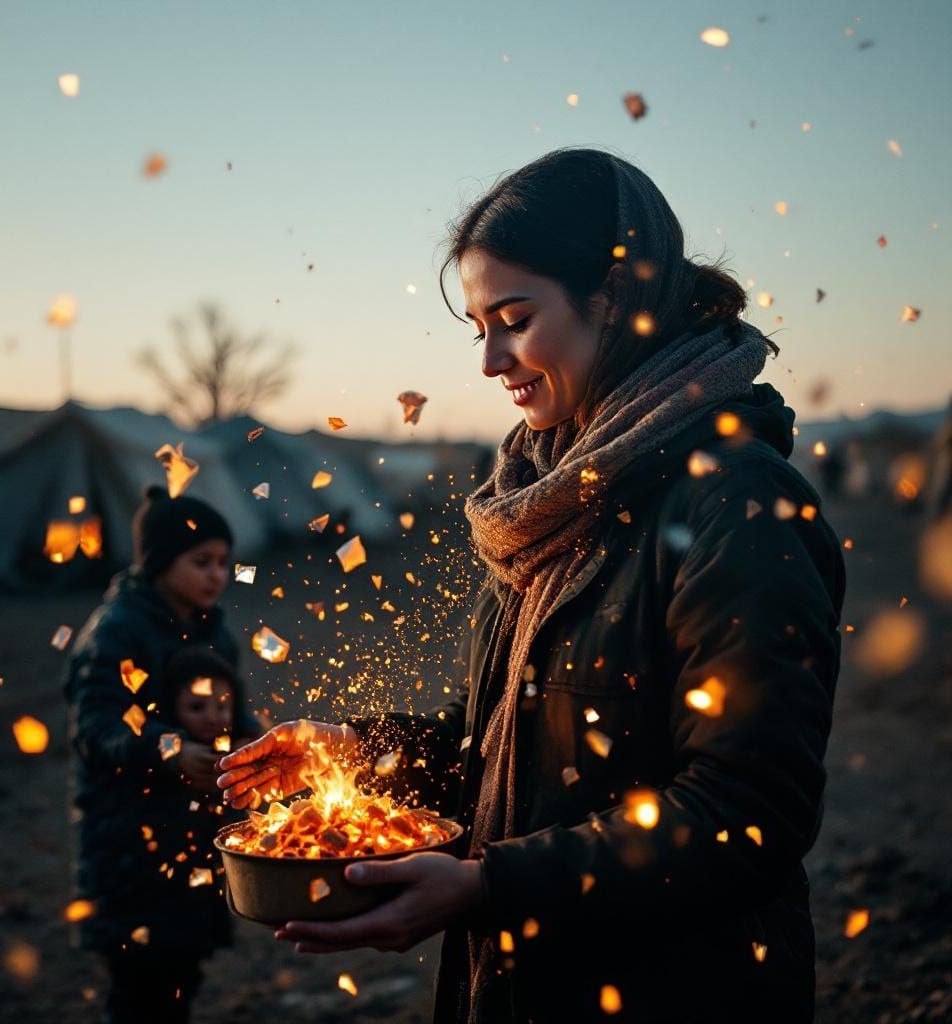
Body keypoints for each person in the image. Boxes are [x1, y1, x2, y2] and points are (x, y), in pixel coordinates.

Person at [217, 148, 846, 1023]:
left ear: (619, 301)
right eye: (478, 326)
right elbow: (515, 752)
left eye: (514, 319)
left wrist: (486, 889)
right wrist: (355, 752)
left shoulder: (734, 505)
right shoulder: (551, 506)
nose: (490, 361)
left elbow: (746, 813)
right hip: (528, 986)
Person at [64, 485, 262, 1023]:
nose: (217, 575)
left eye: (224, 562)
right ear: (158, 563)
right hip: (129, 836)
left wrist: (252, 740)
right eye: (201, 562)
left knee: (182, 970)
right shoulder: (117, 631)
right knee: (138, 983)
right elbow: (96, 726)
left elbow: (232, 705)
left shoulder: (214, 628)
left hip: (194, 834)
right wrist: (170, 751)